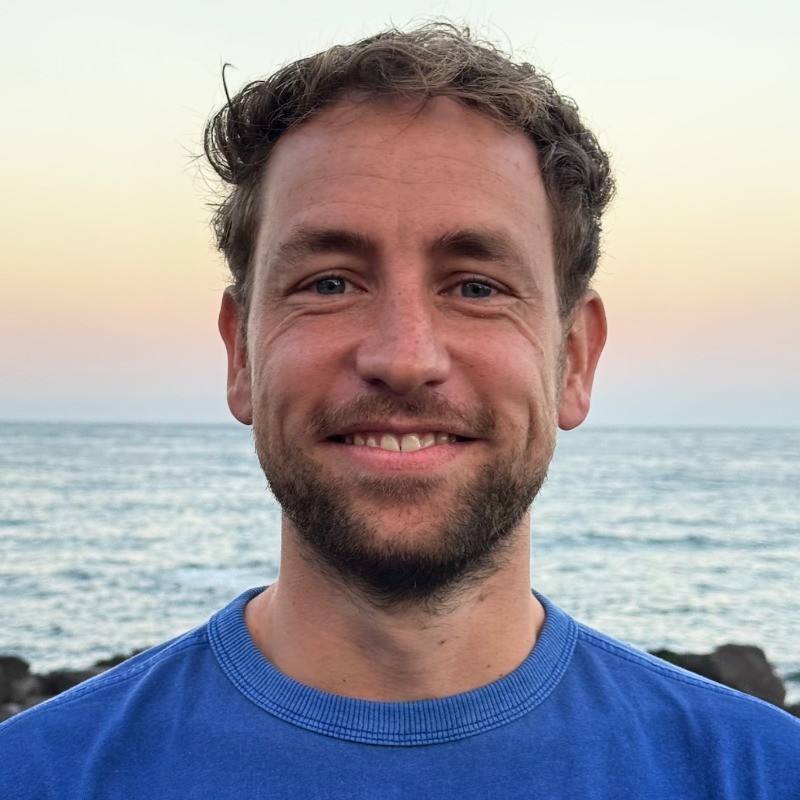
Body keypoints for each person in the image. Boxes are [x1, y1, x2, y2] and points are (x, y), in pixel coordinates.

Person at [1, 23, 798, 799]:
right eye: (329, 283)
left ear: (575, 360)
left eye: (476, 287)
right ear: (240, 354)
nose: (404, 357)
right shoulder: (36, 776)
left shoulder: (761, 775)